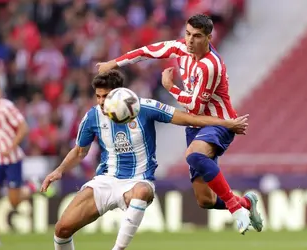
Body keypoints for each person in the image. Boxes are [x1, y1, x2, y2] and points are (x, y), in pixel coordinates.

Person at [41, 69, 249, 250]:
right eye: (98, 96)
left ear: (119, 94)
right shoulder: (93, 116)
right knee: (62, 229)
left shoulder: (145, 107)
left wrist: (226, 123)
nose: (102, 102)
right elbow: (79, 152)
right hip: (106, 179)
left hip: (140, 180)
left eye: (106, 96)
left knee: (141, 192)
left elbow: (189, 118)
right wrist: (59, 170)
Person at [96, 14, 263, 234]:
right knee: (205, 200)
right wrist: (114, 62)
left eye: (197, 36)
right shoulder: (181, 47)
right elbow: (148, 51)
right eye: (188, 34)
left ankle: (235, 208)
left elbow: (196, 106)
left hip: (220, 122)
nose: (190, 40)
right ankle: (246, 203)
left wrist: (170, 87)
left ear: (209, 37)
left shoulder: (210, 65)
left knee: (194, 155)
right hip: (195, 126)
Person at [0, 76, 38, 247]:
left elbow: (24, 128)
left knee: (13, 201)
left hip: (12, 159)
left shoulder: (6, 107)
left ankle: (31, 187)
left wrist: (11, 146)